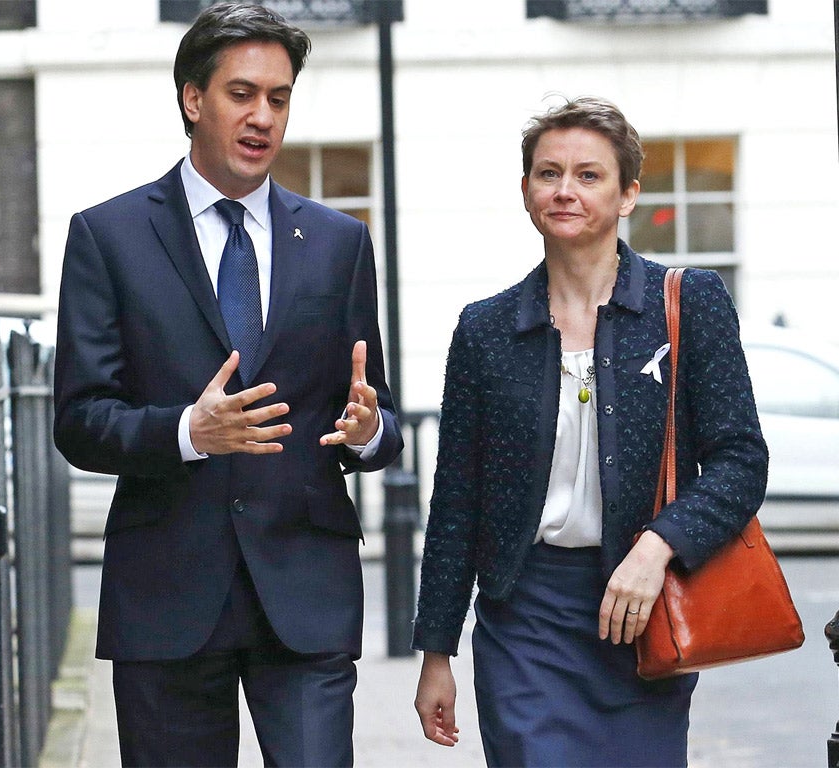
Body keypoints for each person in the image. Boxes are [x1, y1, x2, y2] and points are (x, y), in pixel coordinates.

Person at [53, 3, 403, 766]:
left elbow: (377, 411)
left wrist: (369, 430)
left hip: (305, 594)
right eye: (243, 93)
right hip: (167, 592)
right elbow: (79, 419)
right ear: (192, 99)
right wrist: (187, 432)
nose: (263, 116)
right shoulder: (106, 237)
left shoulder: (340, 243)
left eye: (278, 98)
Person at [411, 97, 768, 767]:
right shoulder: (485, 329)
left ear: (629, 193)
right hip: (524, 621)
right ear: (525, 191)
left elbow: (739, 460)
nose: (565, 190)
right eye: (548, 174)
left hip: (640, 611)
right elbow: (458, 500)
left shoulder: (687, 304)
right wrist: (436, 652)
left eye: (588, 175)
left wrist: (659, 548)